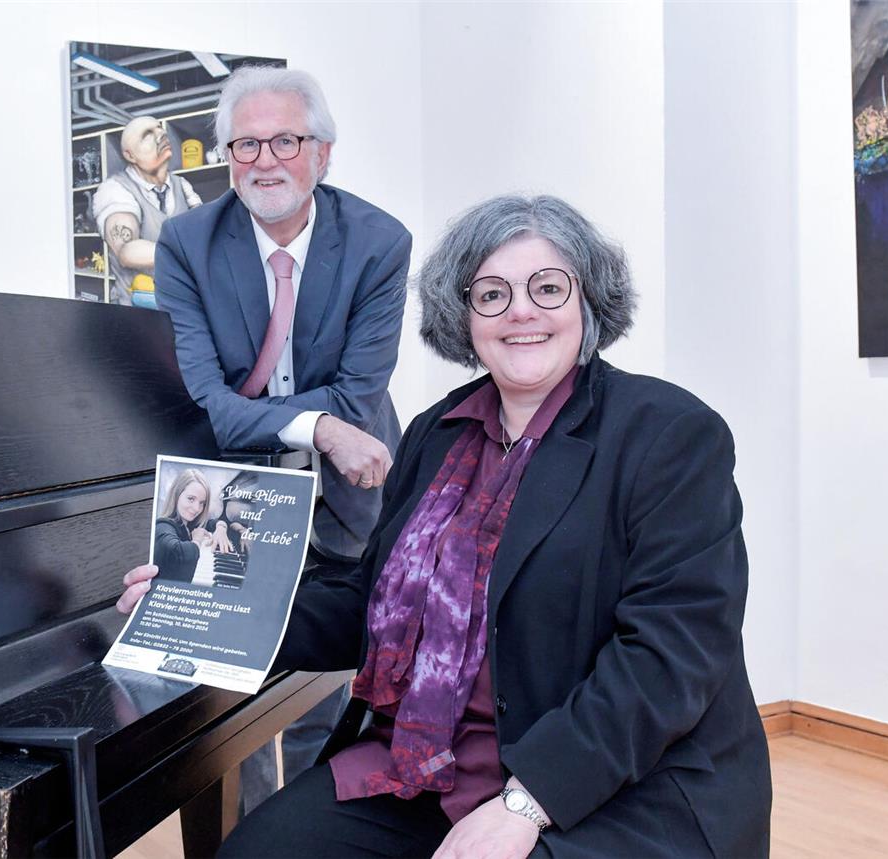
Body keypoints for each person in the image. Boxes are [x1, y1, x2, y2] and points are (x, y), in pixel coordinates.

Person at [120, 194, 772, 857]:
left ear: (589, 299)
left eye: (548, 288)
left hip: (609, 785)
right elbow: (367, 602)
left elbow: (670, 656)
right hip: (426, 767)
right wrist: (207, 608)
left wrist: (527, 803)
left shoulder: (668, 433)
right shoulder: (437, 432)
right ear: (464, 316)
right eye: (492, 294)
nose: (521, 311)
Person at [146, 65, 413, 813]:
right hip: (227, 491)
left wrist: (311, 419)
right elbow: (207, 403)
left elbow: (358, 397)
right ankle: (242, 838)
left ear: (322, 153)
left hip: (347, 498)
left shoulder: (379, 242)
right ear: (228, 156)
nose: (264, 161)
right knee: (224, 696)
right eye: (246, 144)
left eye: (285, 141)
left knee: (321, 696)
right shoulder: (187, 243)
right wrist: (319, 425)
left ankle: (308, 829)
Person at [91, 115, 203, 306]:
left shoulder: (181, 185)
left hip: (182, 306)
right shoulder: (114, 189)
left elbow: (203, 234)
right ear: (130, 155)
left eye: (159, 128)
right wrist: (186, 254)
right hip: (137, 311)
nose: (161, 134)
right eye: (147, 135)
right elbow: (127, 251)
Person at [152, 468, 213, 582]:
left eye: (202, 503)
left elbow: (211, 523)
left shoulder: (188, 524)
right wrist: (197, 540)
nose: (197, 509)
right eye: (191, 499)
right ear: (177, 495)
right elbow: (178, 552)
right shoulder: (163, 526)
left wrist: (221, 527)